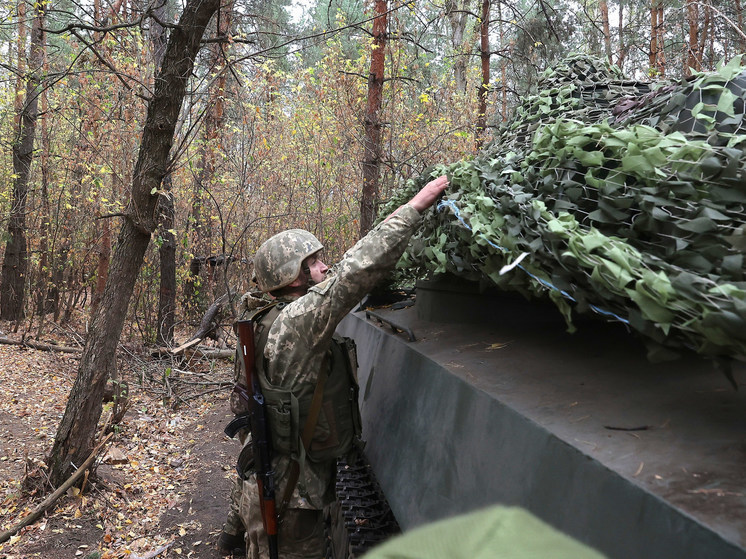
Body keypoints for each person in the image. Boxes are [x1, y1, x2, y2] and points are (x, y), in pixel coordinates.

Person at [235, 175, 449, 558]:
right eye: (314, 263)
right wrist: (416, 207)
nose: (324, 267)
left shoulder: (263, 317)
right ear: (292, 276)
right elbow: (355, 271)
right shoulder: (298, 319)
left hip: (279, 482)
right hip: (291, 498)